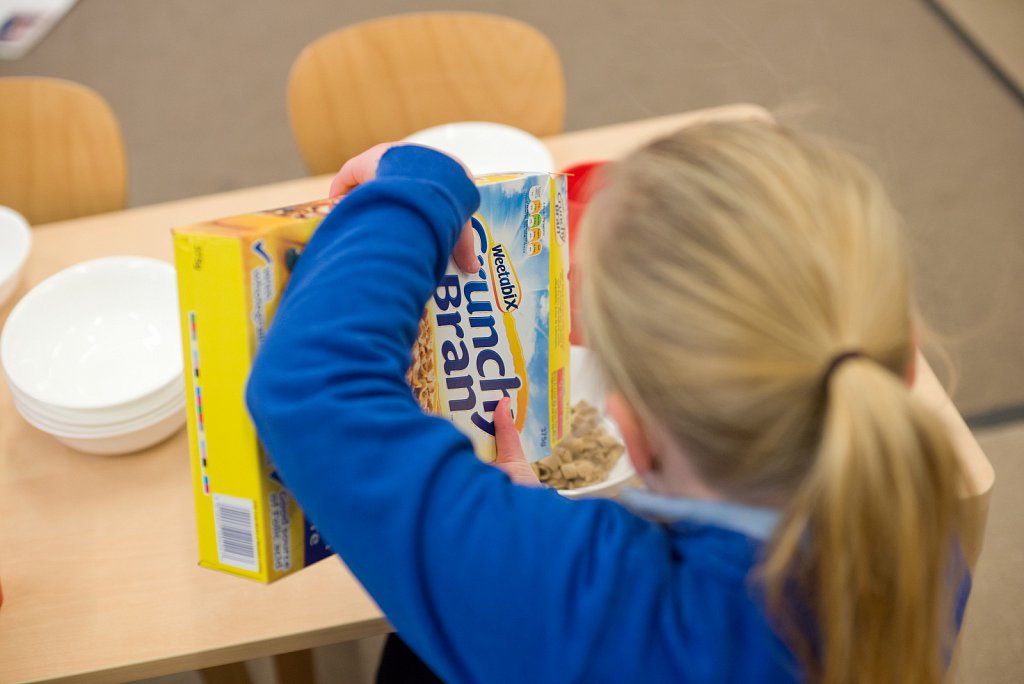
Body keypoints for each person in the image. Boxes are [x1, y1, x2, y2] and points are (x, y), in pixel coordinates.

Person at [245, 121, 969, 684]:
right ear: (902, 361)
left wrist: (418, 186)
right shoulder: (916, 525)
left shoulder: (588, 605)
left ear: (634, 435)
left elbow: (309, 383)